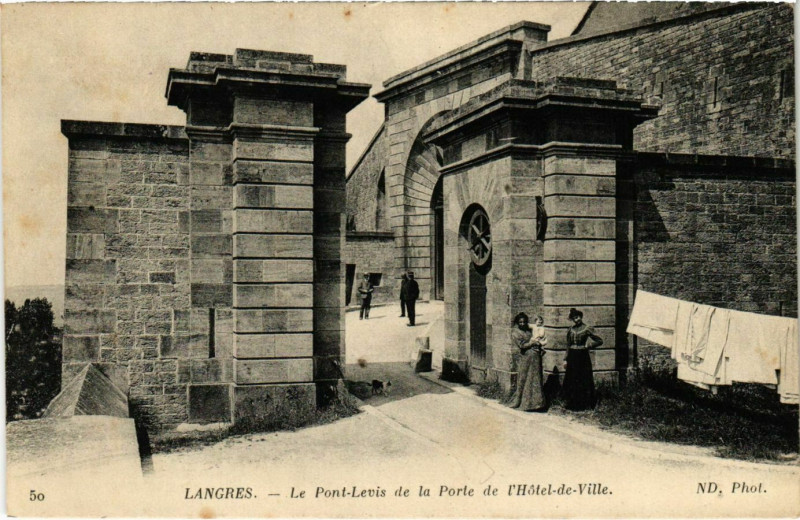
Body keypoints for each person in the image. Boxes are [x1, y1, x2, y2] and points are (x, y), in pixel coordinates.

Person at [562, 308, 603, 410]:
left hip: (582, 356)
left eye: (578, 317)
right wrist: (565, 359)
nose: (577, 319)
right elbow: (568, 345)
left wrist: (589, 345)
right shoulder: (570, 329)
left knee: (583, 379)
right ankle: (572, 404)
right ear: (572, 319)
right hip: (572, 356)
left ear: (581, 317)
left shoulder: (587, 328)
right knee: (572, 379)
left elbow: (599, 341)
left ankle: (584, 404)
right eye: (575, 318)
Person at [507, 313, 547, 411]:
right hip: (525, 357)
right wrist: (531, 343)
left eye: (524, 321)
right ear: (517, 323)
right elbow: (522, 346)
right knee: (525, 378)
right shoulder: (515, 333)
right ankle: (524, 402)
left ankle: (537, 404)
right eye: (520, 322)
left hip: (536, 357)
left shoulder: (530, 330)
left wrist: (539, 346)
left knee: (535, 378)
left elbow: (538, 337)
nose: (522, 323)